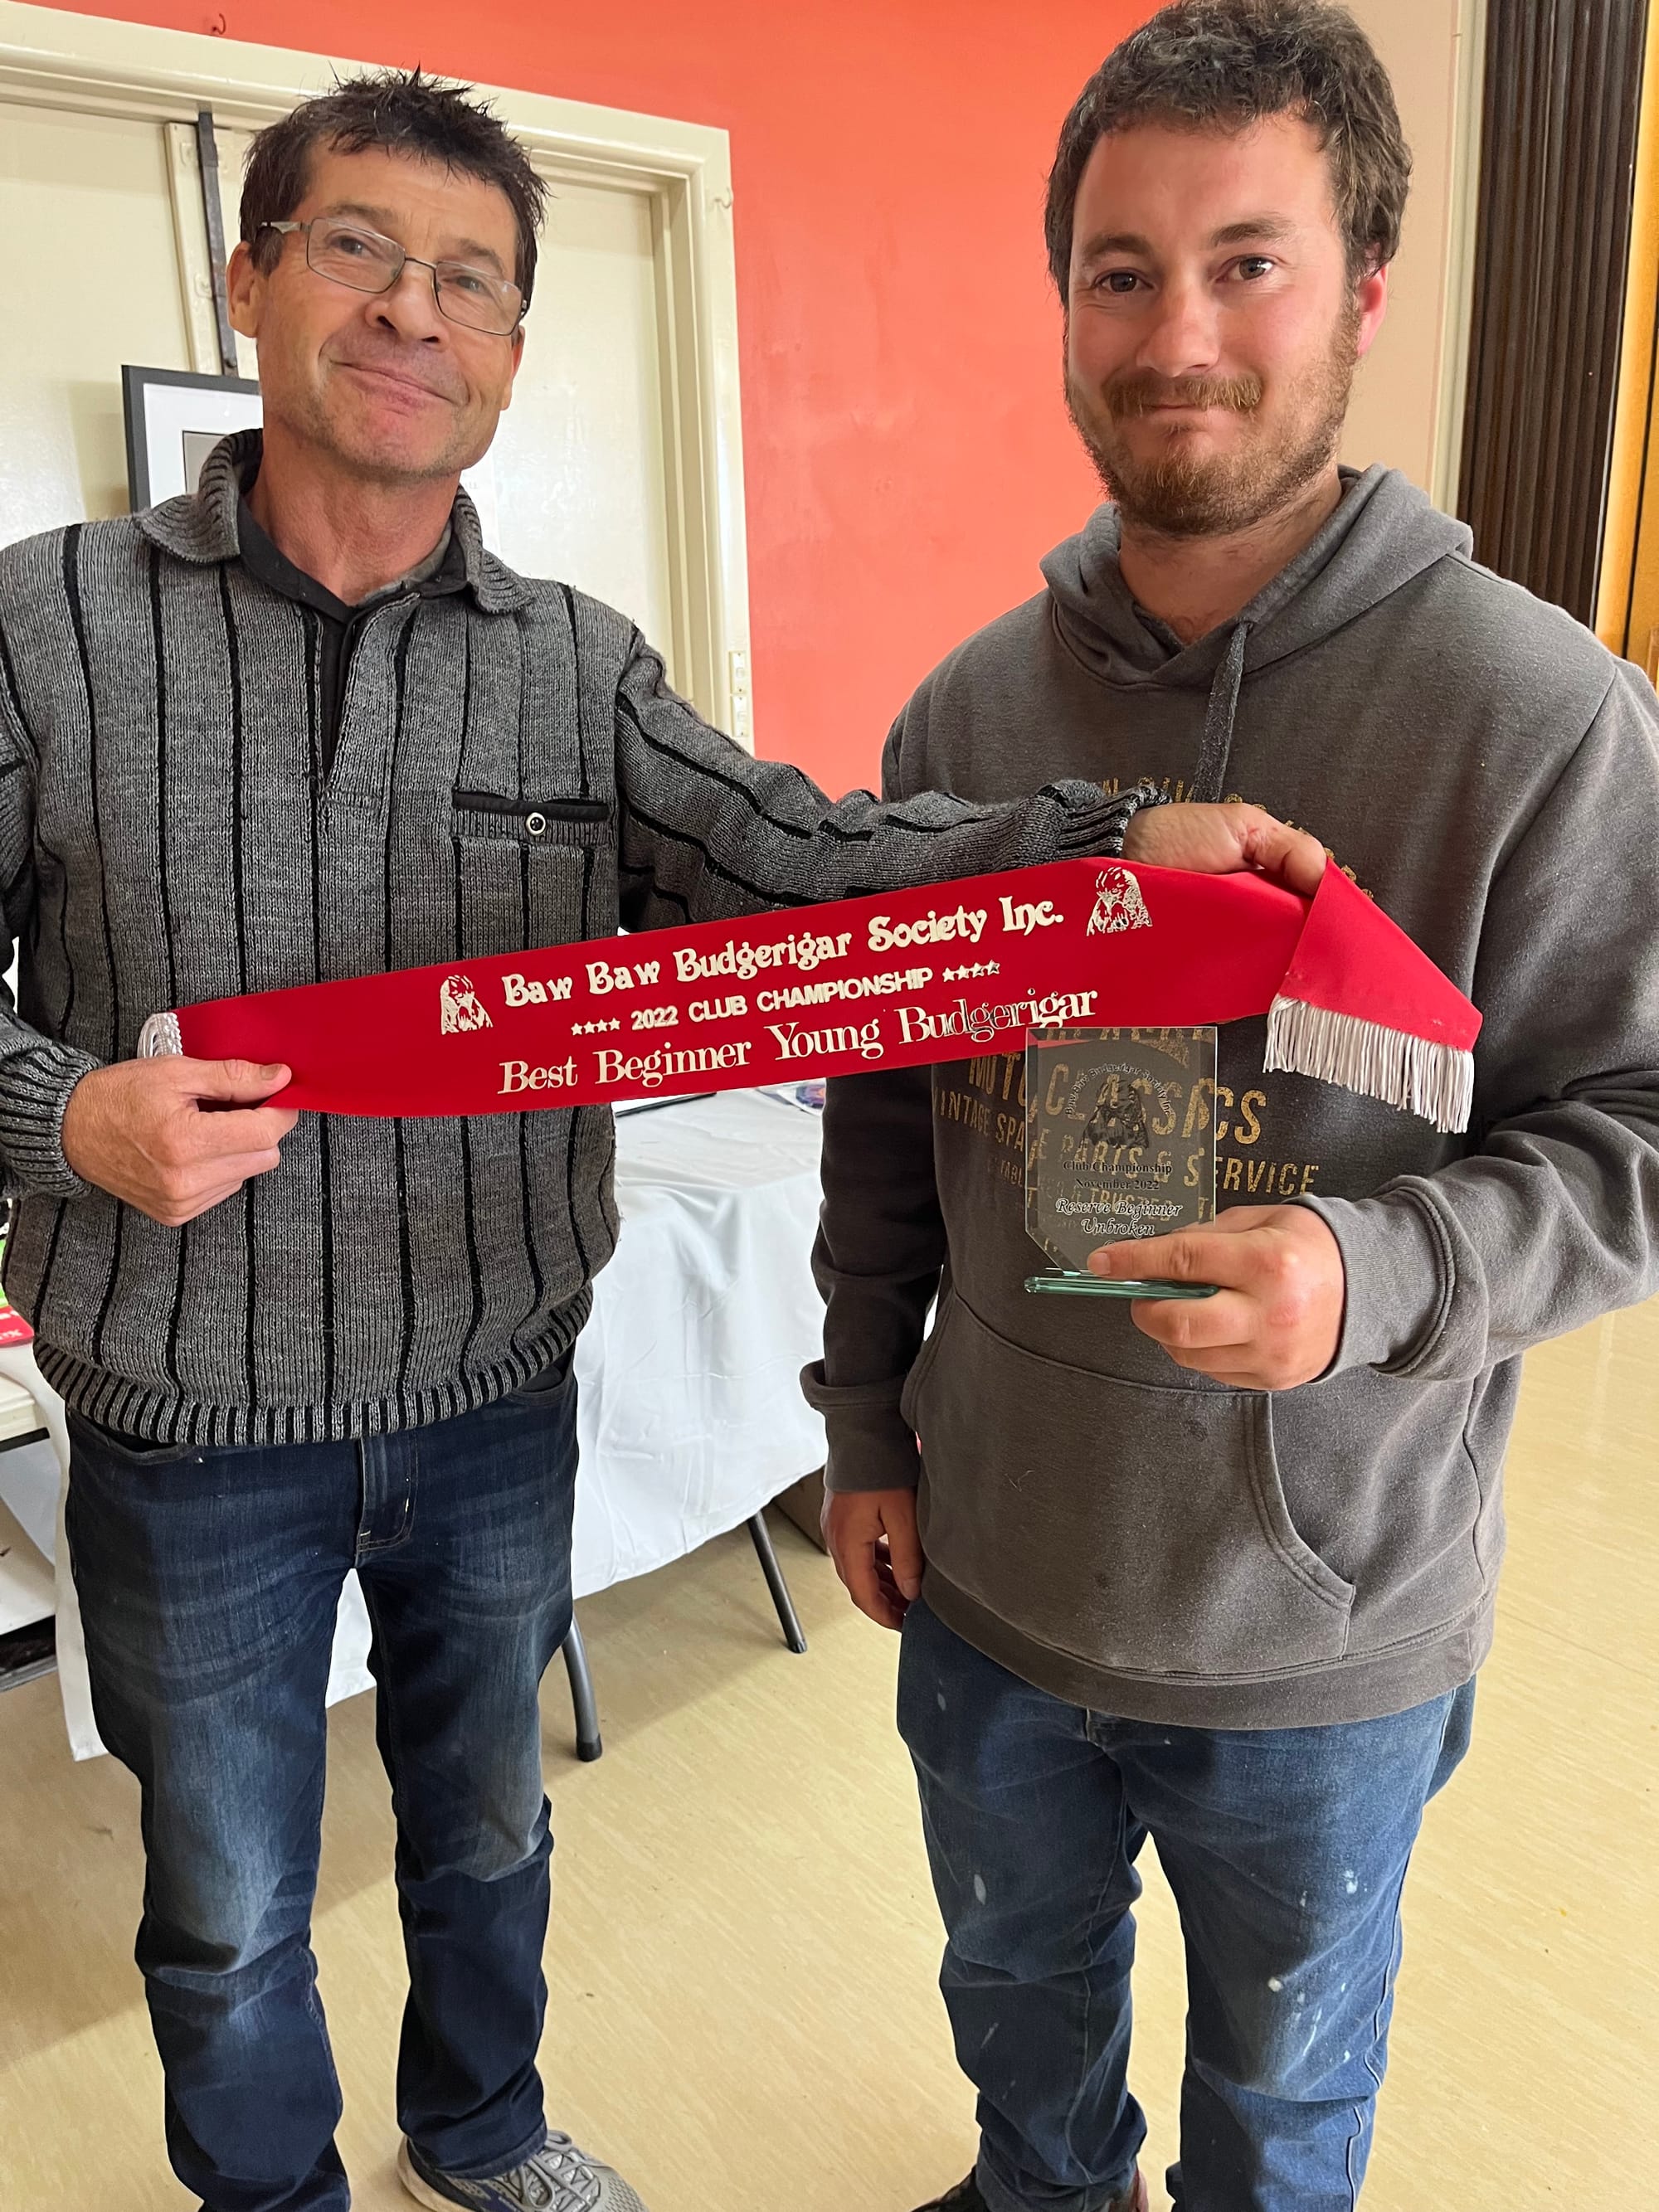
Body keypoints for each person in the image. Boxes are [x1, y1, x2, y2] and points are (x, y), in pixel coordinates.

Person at [0, 66, 1316, 2212]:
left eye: (474, 282)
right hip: (188, 1418)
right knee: (227, 1892)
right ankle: (268, 2193)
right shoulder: (45, 624)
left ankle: (483, 2131)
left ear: (516, 352)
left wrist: (1103, 841)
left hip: (502, 1390)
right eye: (358, 249)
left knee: (491, 1824)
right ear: (250, 277)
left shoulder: (575, 669)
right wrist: (70, 1114)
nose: (413, 312)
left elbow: (806, 859)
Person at [808, 6, 1659, 2210]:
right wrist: (868, 1425)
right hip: (989, 1572)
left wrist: (1371, 1264)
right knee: (1019, 2029)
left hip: (1323, 1620)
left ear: (1370, 288)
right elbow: (886, 1103)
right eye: (1119, 270)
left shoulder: (1544, 717)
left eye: (1249, 263)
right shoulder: (963, 712)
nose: (1178, 334)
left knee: (1278, 2118)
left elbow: (1640, 1131)